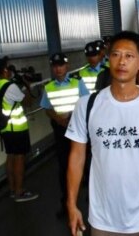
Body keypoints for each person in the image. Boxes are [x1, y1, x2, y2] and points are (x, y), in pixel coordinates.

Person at [66, 31, 139, 236]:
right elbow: (77, 157)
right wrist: (71, 204)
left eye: (129, 56)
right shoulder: (87, 105)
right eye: (116, 55)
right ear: (108, 60)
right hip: (104, 219)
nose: (122, 61)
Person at [40, 52, 89, 217]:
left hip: (78, 129)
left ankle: (91, 199)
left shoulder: (77, 82)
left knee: (85, 163)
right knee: (63, 167)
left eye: (61, 65)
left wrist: (72, 116)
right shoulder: (48, 87)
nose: (58, 69)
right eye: (55, 66)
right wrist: (58, 119)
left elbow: (86, 102)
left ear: (67, 66)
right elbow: (46, 108)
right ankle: (67, 203)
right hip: (60, 131)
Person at [0, 56, 39, 202]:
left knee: (10, 157)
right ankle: (19, 192)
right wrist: (28, 84)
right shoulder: (10, 86)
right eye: (9, 67)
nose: (11, 69)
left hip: (6, 128)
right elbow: (28, 101)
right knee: (19, 158)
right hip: (16, 129)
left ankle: (12, 189)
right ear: (5, 70)